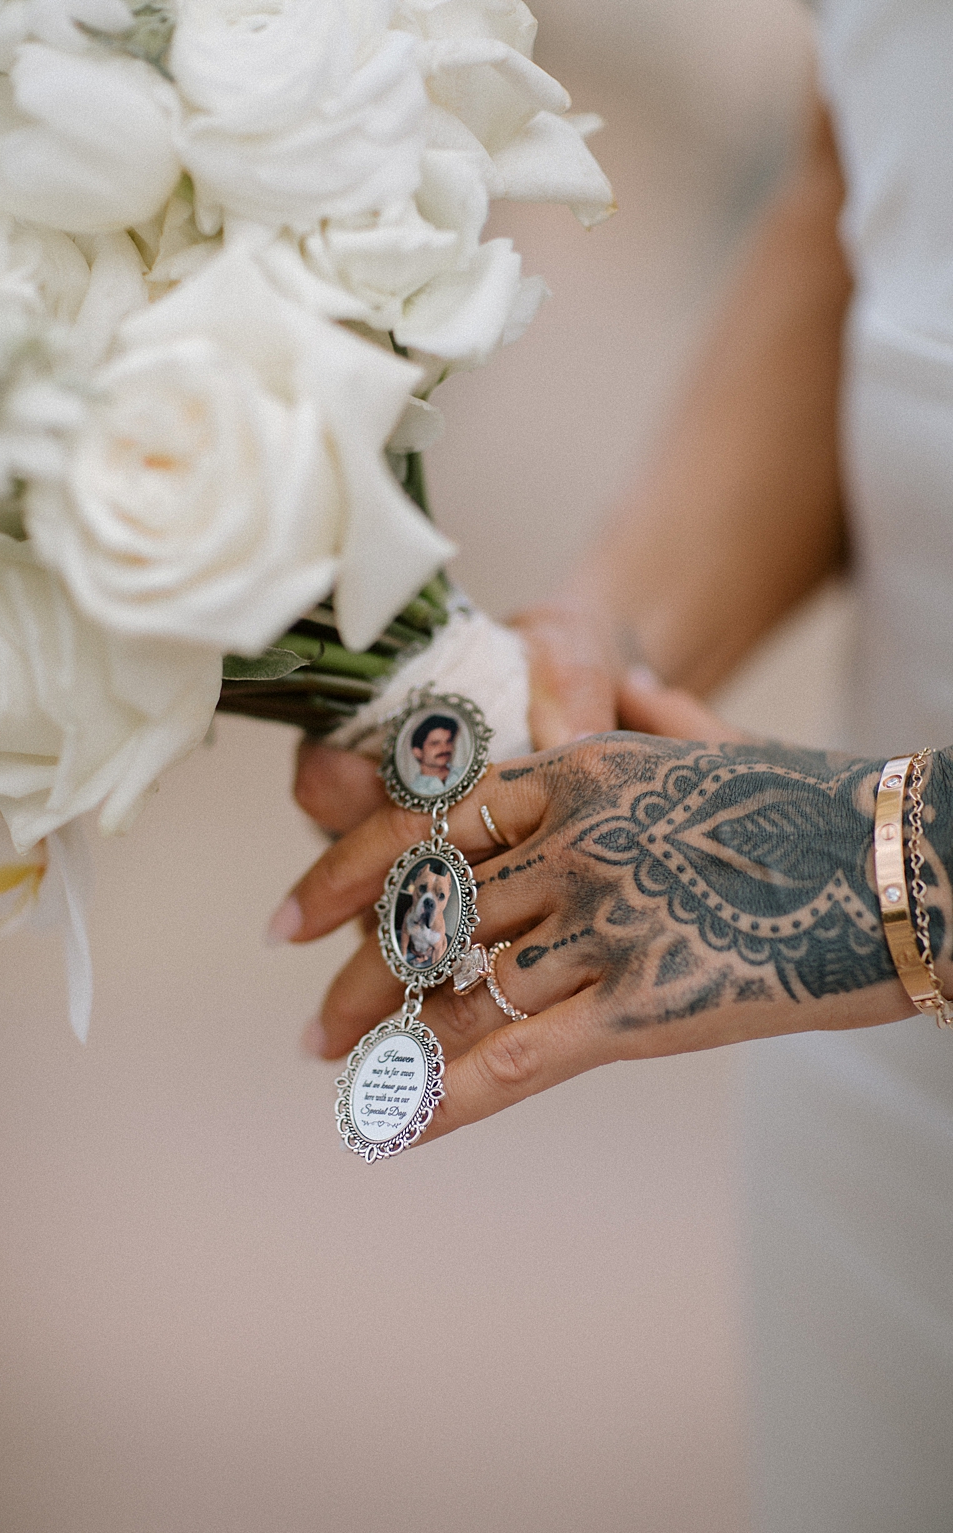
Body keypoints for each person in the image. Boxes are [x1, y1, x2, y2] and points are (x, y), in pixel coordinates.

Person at [277, 4, 953, 1523]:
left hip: (862, 922)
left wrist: (878, 867)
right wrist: (598, 648)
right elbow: (871, 206)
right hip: (889, 1099)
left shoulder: (865, 885)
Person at [405, 715, 457, 795]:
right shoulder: (413, 793)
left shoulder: (466, 773)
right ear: (418, 752)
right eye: (435, 743)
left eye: (448, 741)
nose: (445, 748)